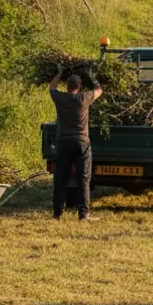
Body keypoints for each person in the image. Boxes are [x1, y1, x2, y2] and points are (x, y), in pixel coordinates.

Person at [49, 65, 102, 220]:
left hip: (64, 143)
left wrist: (59, 72)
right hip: (81, 143)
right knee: (83, 179)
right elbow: (99, 89)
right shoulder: (83, 98)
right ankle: (83, 214)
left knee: (61, 178)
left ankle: (57, 213)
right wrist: (91, 75)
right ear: (79, 87)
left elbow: (51, 87)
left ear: (67, 86)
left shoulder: (60, 98)